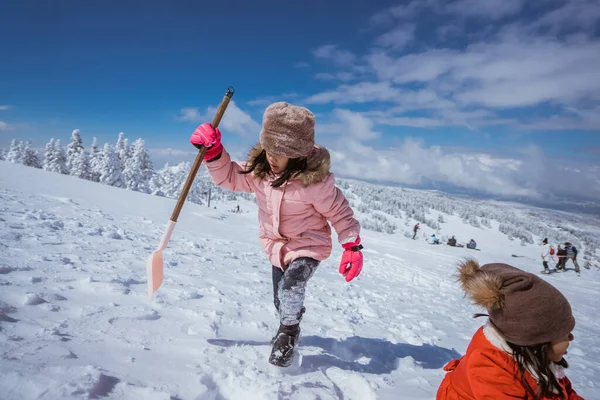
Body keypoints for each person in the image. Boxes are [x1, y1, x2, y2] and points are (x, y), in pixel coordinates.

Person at [189, 101, 363, 367]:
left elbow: (339, 213)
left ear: (297, 153)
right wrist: (214, 153)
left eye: (281, 153)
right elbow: (230, 177)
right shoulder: (260, 172)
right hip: (275, 246)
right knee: (280, 298)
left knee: (292, 286)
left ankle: (288, 333)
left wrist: (352, 246)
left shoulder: (315, 183)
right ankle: (289, 318)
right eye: (270, 149)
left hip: (308, 245)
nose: (272, 157)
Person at [437, 259, 583, 400]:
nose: (570, 337)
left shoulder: (538, 357)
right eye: (564, 332)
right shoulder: (491, 368)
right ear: (535, 337)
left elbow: (564, 393)